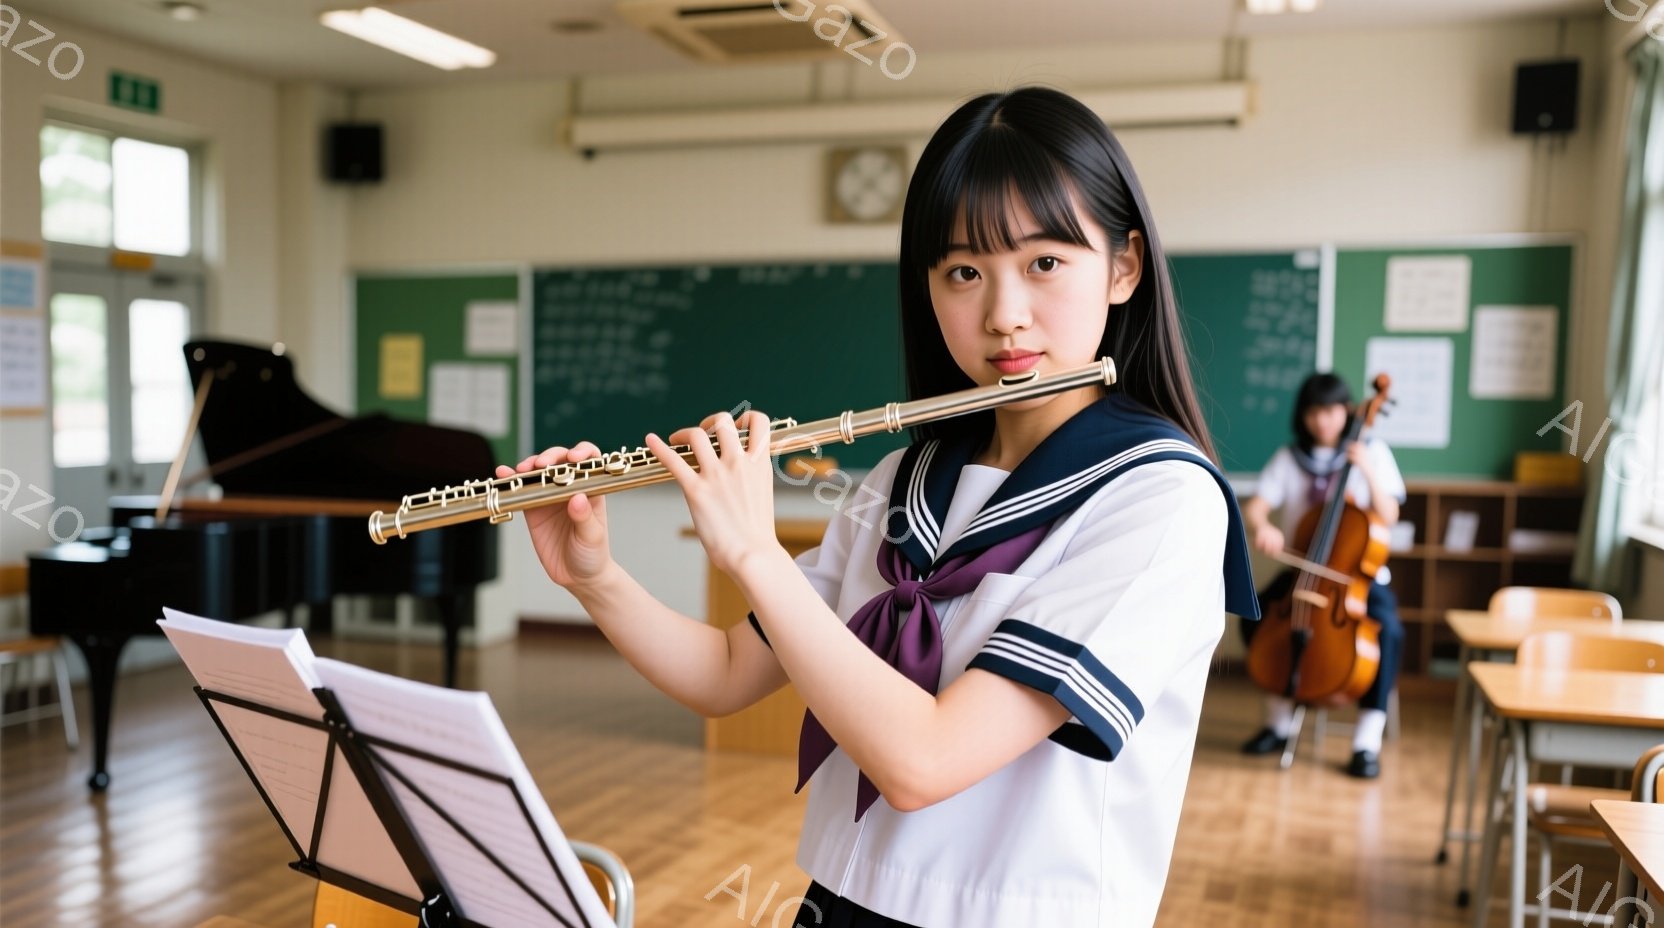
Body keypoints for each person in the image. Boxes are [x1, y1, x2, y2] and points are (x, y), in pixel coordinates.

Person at [502, 86, 1258, 928]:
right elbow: (723, 674)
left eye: (1045, 262)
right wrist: (594, 576)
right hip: (839, 905)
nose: (1005, 316)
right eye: (964, 272)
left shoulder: (1161, 501)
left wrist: (752, 553)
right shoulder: (900, 478)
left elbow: (924, 760)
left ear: (1122, 267)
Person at [1237, 372, 1406, 779]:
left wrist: (1364, 468)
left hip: (1356, 578)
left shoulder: (1374, 451)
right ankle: (1278, 723)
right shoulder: (1289, 457)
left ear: (1345, 411)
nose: (1323, 422)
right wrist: (1264, 527)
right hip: (1304, 572)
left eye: (1330, 412)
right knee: (1252, 614)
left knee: (1388, 632)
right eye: (1314, 412)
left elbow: (1390, 515)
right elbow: (1255, 507)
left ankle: (1366, 741)